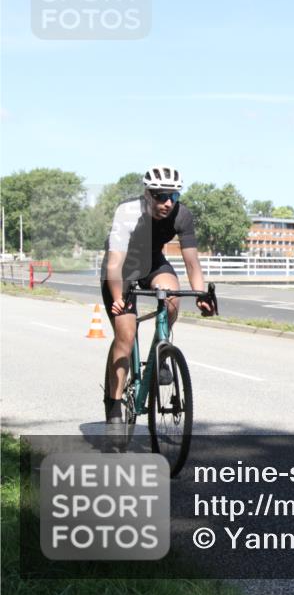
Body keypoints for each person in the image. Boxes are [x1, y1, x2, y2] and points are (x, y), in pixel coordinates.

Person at [101, 165, 214, 424]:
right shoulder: (128, 212)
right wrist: (118, 298)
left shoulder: (182, 215)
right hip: (122, 267)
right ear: (147, 194)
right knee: (126, 335)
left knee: (172, 297)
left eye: (173, 196)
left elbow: (192, 264)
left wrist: (201, 294)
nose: (168, 203)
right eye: (161, 196)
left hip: (152, 262)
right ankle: (114, 407)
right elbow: (114, 265)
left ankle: (160, 353)